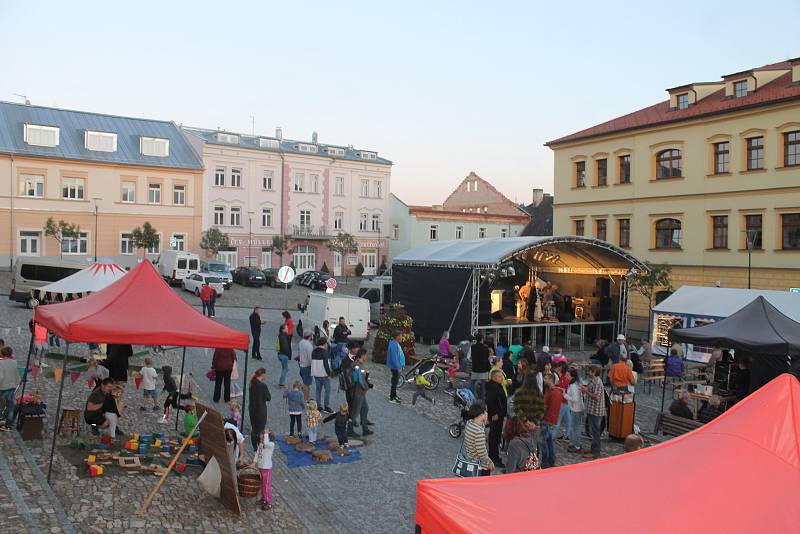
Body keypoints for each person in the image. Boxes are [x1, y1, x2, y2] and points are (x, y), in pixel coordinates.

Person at [511, 371, 545, 447]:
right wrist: (534, 422)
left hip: (521, 423)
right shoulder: (539, 394)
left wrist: (525, 421)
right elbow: (542, 410)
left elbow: (516, 408)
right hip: (535, 424)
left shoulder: (519, 392)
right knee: (533, 446)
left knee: (521, 446)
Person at [582, 365, 606, 459]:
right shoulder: (592, 381)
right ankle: (593, 449)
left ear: (594, 372)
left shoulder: (597, 383)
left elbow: (596, 397)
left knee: (595, 432)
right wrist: (585, 389)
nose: (588, 373)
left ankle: (595, 452)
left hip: (596, 411)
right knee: (593, 431)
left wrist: (586, 391)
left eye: (590, 371)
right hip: (591, 410)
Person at [463, 400, 493, 476]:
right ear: (482, 414)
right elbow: (482, 452)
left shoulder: (469, 423)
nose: (487, 414)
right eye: (486, 412)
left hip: (470, 459)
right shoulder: (479, 432)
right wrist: (489, 462)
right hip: (479, 466)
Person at [485, 369, 508, 468]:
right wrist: (494, 413)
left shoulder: (495, 385)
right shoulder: (493, 387)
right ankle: (493, 457)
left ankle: (494, 455)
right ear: (494, 377)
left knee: (495, 436)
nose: (502, 378)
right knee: (494, 436)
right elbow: (490, 400)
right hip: (496, 416)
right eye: (499, 376)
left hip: (499, 414)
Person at [540, 373, 563, 468]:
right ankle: (551, 461)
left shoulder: (551, 392)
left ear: (550, 379)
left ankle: (545, 462)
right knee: (550, 442)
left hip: (546, 420)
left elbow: (544, 407)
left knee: (543, 442)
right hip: (553, 420)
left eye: (545, 378)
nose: (544, 380)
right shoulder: (558, 392)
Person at [251, 428, 276, 511]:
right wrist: (254, 462)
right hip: (261, 467)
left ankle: (268, 502)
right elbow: (257, 453)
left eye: (262, 438)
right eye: (260, 438)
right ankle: (263, 499)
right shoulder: (261, 444)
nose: (261, 440)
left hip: (266, 468)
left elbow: (266, 443)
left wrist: (265, 434)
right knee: (262, 485)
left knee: (266, 486)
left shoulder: (271, 445)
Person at [351, 349, 374, 436]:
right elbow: (359, 380)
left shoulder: (360, 365)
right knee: (355, 412)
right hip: (358, 391)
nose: (366, 357)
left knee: (365, 408)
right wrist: (367, 386)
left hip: (361, 392)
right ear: (362, 355)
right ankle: (349, 430)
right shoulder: (357, 365)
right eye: (365, 355)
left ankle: (365, 428)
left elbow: (363, 377)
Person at [248, 368, 271, 450]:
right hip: (260, 411)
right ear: (262, 375)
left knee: (254, 429)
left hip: (252, 410)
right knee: (261, 430)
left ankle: (255, 448)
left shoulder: (251, 383)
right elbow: (268, 397)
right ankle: (260, 446)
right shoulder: (263, 386)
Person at [564, 367, 585, 453]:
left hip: (576, 409)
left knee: (576, 428)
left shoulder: (573, 386)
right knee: (575, 427)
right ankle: (576, 443)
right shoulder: (574, 384)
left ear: (572, 376)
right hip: (575, 408)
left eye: (567, 375)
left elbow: (575, 399)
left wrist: (565, 395)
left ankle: (577, 446)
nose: (566, 376)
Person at [311, 336, 333, 413]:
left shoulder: (314, 351)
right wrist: (329, 373)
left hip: (316, 374)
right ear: (324, 344)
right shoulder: (324, 352)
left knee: (318, 390)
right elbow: (326, 364)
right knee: (327, 390)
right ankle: (326, 406)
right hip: (323, 374)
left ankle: (319, 405)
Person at [0, 347, 19, 431]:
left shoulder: (1, 363)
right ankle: (8, 425)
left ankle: (1, 422)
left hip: (2, 387)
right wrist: (15, 384)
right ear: (11, 354)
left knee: (1, 405)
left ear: (2, 354)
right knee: (10, 406)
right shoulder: (14, 362)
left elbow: (0, 377)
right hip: (11, 387)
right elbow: (16, 375)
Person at [470, 333, 490, 400]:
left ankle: (471, 397)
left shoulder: (473, 347)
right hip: (483, 368)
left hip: (475, 367)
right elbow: (487, 357)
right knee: (483, 385)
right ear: (482, 339)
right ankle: (482, 399)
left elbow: (470, 357)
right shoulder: (485, 347)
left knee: (472, 383)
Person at [387, 330, 405, 404]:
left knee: (395, 382)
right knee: (394, 382)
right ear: (397, 337)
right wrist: (398, 367)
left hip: (397, 366)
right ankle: (392, 397)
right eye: (401, 336)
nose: (402, 337)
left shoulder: (395, 344)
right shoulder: (394, 345)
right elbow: (394, 358)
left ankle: (394, 395)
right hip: (395, 367)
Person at [298, 331, 314, 400]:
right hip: (307, 366)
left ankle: (307, 397)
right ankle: (306, 399)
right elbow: (310, 358)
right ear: (310, 336)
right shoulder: (309, 345)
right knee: (306, 384)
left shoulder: (301, 342)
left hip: (301, 364)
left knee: (305, 382)